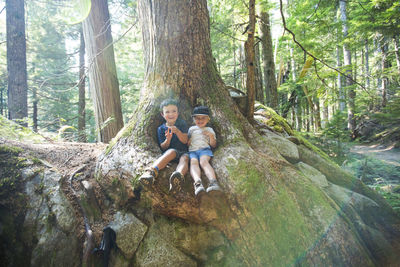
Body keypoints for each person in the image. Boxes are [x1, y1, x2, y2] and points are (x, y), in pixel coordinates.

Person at [139, 99, 189, 194]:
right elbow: (163, 147)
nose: (171, 114)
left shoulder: (181, 124)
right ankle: (151, 172)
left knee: (185, 159)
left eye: (174, 111)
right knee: (171, 152)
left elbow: (185, 140)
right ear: (162, 114)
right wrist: (168, 139)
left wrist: (178, 132)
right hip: (171, 152)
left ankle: (177, 178)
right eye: (167, 112)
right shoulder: (161, 128)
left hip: (184, 152)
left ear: (178, 113)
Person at [188, 106, 222, 196]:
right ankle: (198, 183)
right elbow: (187, 143)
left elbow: (213, 145)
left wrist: (210, 136)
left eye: (203, 118)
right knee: (193, 162)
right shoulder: (191, 129)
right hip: (192, 151)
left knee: (204, 162)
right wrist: (189, 141)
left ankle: (213, 181)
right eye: (197, 118)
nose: (200, 120)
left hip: (204, 150)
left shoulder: (209, 130)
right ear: (193, 119)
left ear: (208, 119)